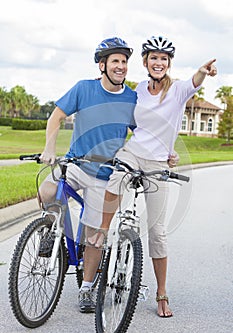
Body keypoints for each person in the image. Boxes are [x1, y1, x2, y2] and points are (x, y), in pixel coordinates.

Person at [92, 35, 217, 317]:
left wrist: (204, 71)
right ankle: (102, 229)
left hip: (159, 162)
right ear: (146, 62)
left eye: (164, 58)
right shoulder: (139, 89)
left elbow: (196, 80)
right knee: (115, 178)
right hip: (134, 151)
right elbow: (137, 125)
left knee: (157, 232)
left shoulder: (179, 90)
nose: (158, 62)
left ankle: (162, 293)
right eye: (154, 58)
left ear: (168, 63)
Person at [38, 37, 137, 313]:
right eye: (116, 61)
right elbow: (56, 116)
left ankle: (87, 288)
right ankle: (51, 226)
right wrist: (49, 148)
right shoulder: (84, 88)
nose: (121, 66)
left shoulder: (132, 98)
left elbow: (143, 133)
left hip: (104, 175)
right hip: (75, 163)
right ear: (102, 65)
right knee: (46, 191)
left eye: (124, 62)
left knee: (94, 235)